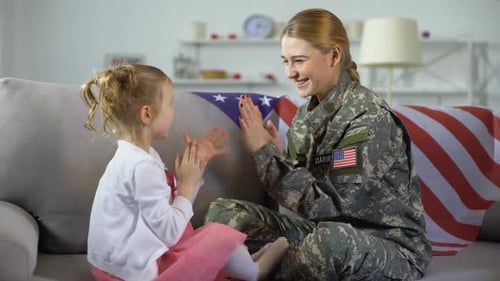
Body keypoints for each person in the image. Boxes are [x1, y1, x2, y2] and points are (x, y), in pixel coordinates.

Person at [205, 8, 432, 281]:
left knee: (329, 243)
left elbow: (331, 206)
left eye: (299, 60)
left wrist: (264, 154)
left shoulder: (369, 119)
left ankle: (250, 270)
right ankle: (258, 264)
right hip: (318, 230)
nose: (290, 72)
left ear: (334, 56)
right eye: (285, 61)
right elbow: (300, 194)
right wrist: (277, 154)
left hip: (387, 246)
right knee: (224, 213)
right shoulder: (305, 117)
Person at [81, 64, 289, 281]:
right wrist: (187, 186)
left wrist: (193, 171)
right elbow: (170, 233)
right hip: (133, 273)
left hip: (115, 265)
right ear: (147, 114)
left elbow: (162, 210)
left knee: (207, 238)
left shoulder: (135, 155)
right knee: (216, 234)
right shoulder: (141, 167)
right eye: (170, 104)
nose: (173, 111)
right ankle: (255, 272)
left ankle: (247, 263)